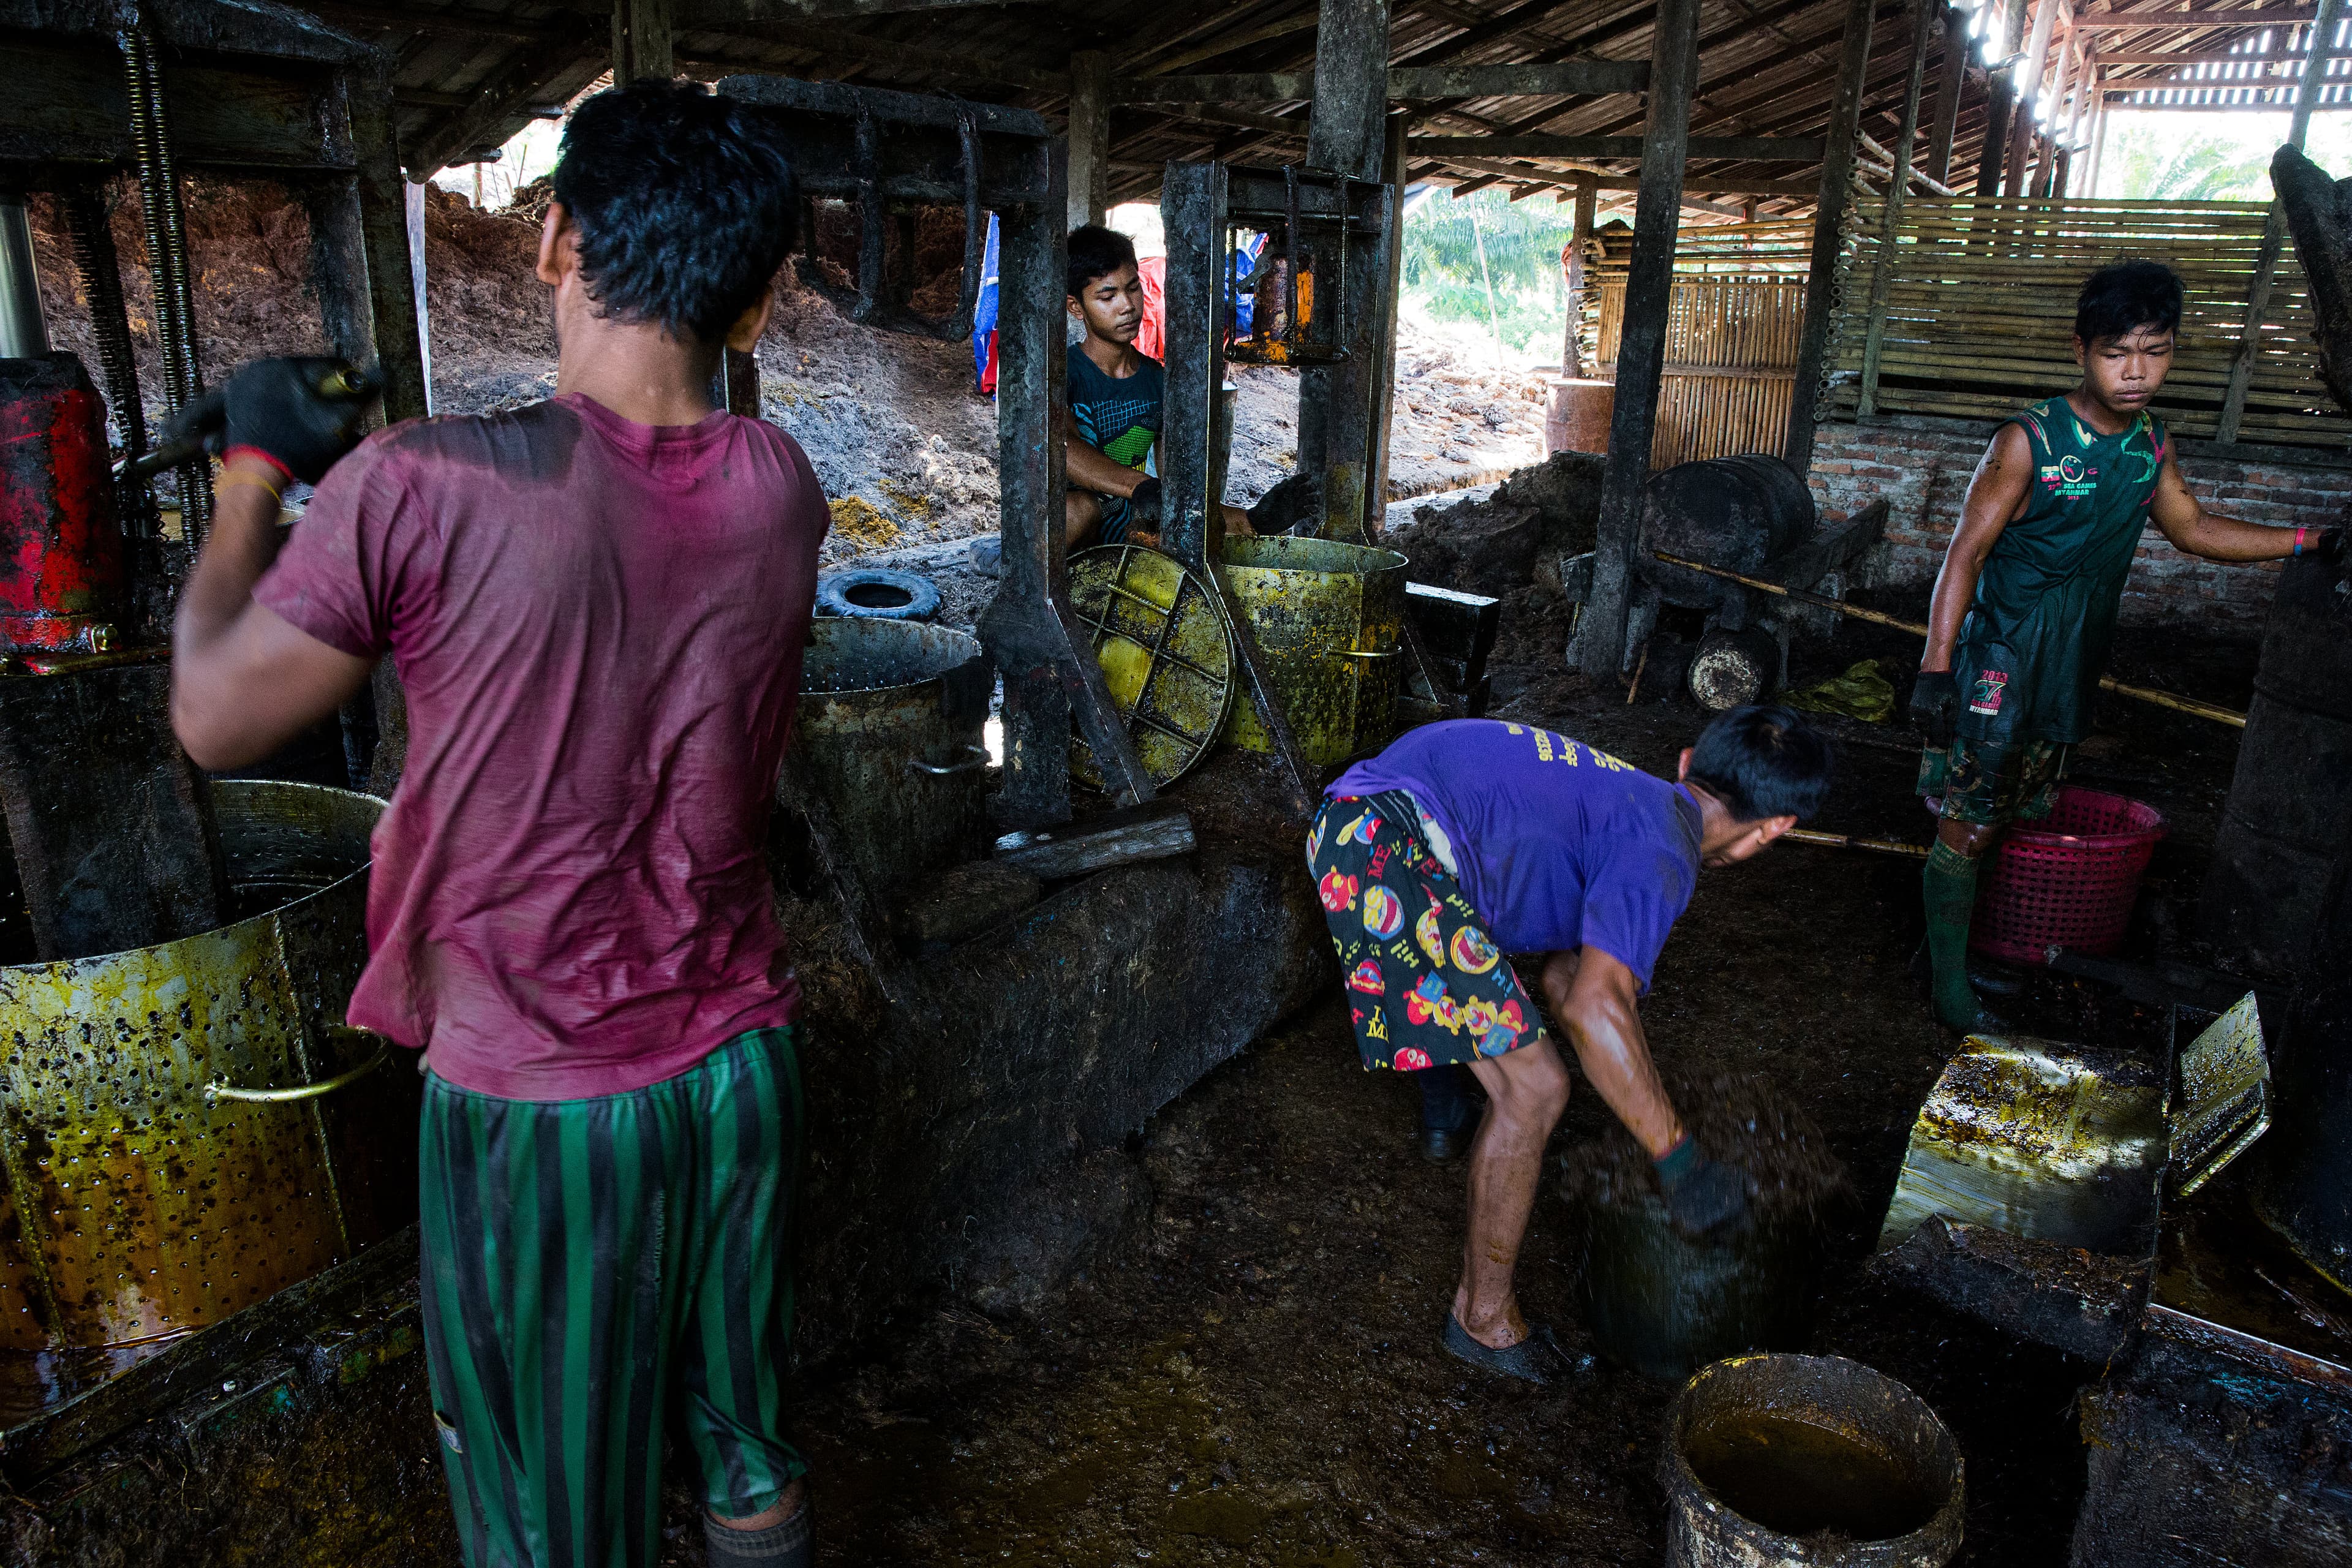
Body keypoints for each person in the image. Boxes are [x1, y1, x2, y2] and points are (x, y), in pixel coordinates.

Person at [170, 81, 824, 1568]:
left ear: (553, 242)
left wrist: (255, 478)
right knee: (744, 1445)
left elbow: (211, 714)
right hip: (741, 1065)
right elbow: (587, 513)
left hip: (548, 1101)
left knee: (550, 1513)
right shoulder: (784, 489)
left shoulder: (421, 489)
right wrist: (373, 490)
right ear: (758, 300)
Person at [1308, 709, 1834, 1382]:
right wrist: (1680, 1161)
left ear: (1684, 762)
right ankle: (1483, 1322)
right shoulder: (1662, 850)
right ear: (1775, 829)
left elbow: (1565, 980)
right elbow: (1593, 1005)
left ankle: (1447, 1110)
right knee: (1535, 1089)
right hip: (1386, 845)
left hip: (1375, 821)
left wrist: (1631, 1079)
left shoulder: (1635, 799)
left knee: (1509, 1046)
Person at [1910, 260, 2331, 1032]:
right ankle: (1946, 990)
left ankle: (1945, 953)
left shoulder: (2151, 445)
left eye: (2155, 350)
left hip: (2070, 659)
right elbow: (1964, 553)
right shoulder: (2030, 439)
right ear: (2081, 350)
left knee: (2005, 812)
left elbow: (2193, 528)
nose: (2136, 371)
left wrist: (2309, 539)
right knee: (1969, 820)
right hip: (2000, 658)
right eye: (2116, 351)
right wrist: (1938, 668)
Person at [1064, 222, 1251, 549]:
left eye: (1133, 288)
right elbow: (1062, 449)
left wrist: (1253, 519)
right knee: (1081, 509)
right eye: (1108, 296)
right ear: (1076, 307)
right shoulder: (1066, 373)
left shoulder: (1157, 380)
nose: (1127, 306)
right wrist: (1142, 487)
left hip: (1131, 533)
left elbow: (1177, 486)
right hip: (1077, 536)